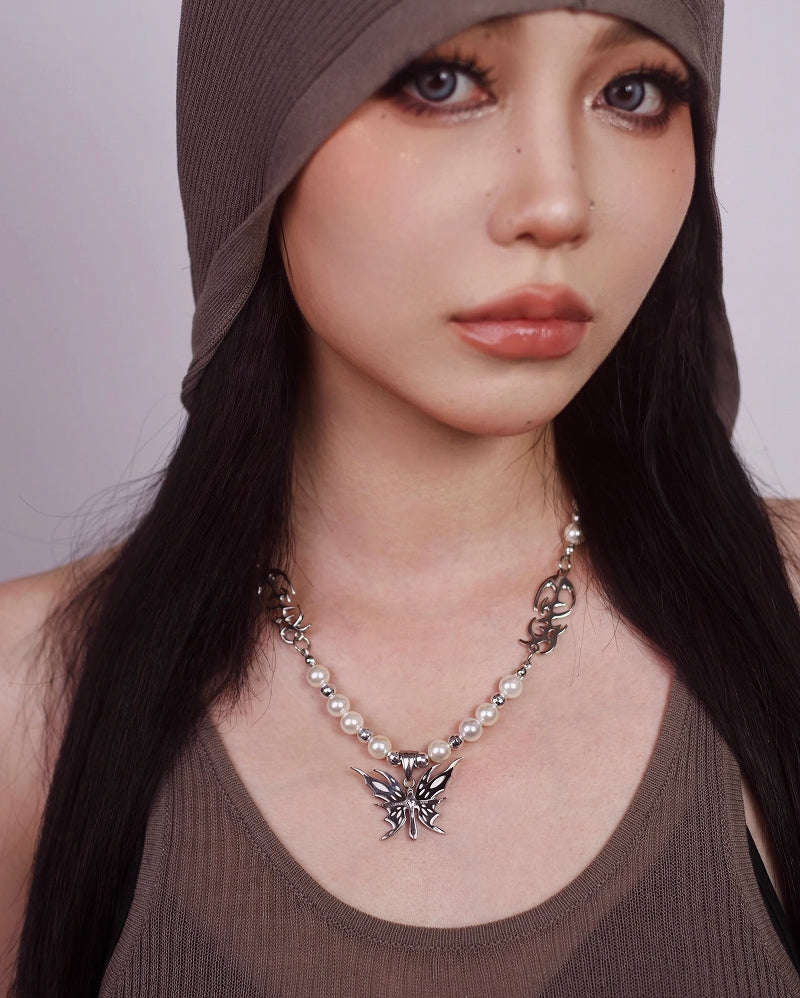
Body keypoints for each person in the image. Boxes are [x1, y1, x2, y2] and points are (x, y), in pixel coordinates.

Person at [2, 0, 799, 995]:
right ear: (258, 124)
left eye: (632, 92)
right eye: (441, 80)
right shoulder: (24, 699)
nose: (557, 204)